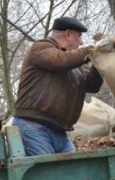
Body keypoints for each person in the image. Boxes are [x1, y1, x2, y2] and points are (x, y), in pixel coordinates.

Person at [14, 16, 103, 155]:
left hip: (60, 132)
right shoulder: (41, 47)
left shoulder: (75, 65)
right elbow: (59, 61)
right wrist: (90, 51)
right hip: (33, 125)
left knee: (73, 172)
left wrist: (100, 62)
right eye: (78, 37)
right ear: (67, 34)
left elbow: (92, 85)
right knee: (50, 173)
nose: (81, 42)